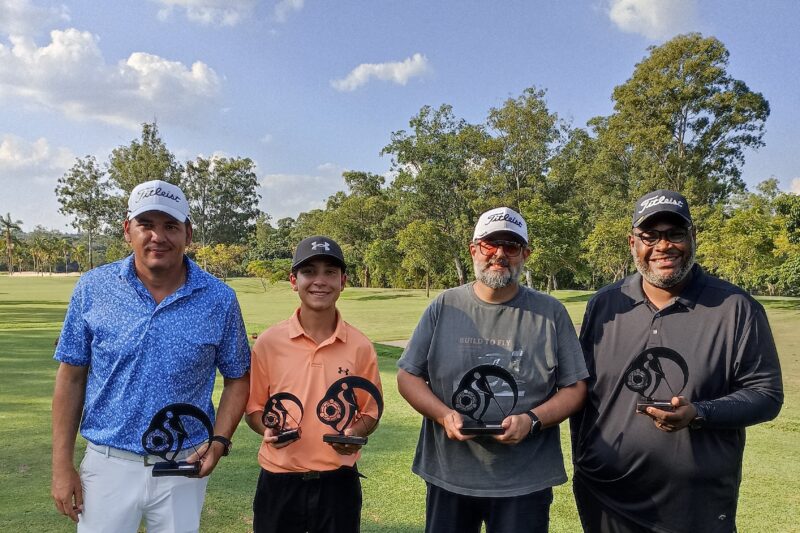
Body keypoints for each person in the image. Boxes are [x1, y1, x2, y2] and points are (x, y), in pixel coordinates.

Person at [570, 189, 784, 533]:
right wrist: (585, 462)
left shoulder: (735, 308)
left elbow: (766, 395)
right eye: (650, 236)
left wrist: (699, 413)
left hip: (696, 506)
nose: (663, 245)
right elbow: (583, 390)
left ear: (692, 236)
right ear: (632, 243)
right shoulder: (605, 305)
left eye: (675, 233)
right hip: (607, 501)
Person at [51, 180, 251, 532]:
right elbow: (71, 376)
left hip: (183, 465)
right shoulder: (94, 288)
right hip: (107, 463)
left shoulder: (219, 299)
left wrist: (218, 441)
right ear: (128, 230)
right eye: (147, 224)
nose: (159, 236)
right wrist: (61, 464)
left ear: (188, 233)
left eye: (170, 226)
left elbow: (238, 377)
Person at [397, 207, 589, 533]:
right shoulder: (444, 305)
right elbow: (407, 375)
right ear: (474, 249)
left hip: (525, 480)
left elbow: (575, 388)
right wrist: (444, 415)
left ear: (525, 254)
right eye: (490, 244)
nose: (499, 254)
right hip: (450, 475)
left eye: (511, 246)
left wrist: (531, 420)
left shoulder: (550, 312)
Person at [245, 236, 382, 533]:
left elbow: (371, 412)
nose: (320, 281)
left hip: (338, 482)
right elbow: (254, 409)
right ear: (294, 280)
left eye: (330, 272)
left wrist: (355, 432)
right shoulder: (269, 342)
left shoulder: (360, 346)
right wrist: (266, 428)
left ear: (343, 281)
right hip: (279, 479)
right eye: (309, 271)